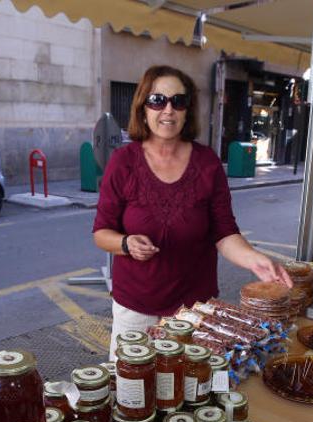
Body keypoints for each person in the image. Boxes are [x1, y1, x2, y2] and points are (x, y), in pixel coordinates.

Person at [92, 65, 292, 358]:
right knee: (130, 392)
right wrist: (125, 243)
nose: (168, 110)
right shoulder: (123, 162)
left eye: (178, 101)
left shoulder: (207, 163)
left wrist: (254, 260)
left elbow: (224, 232)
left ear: (187, 111)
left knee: (188, 394)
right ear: (143, 107)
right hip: (135, 309)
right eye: (157, 100)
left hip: (195, 313)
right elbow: (102, 232)